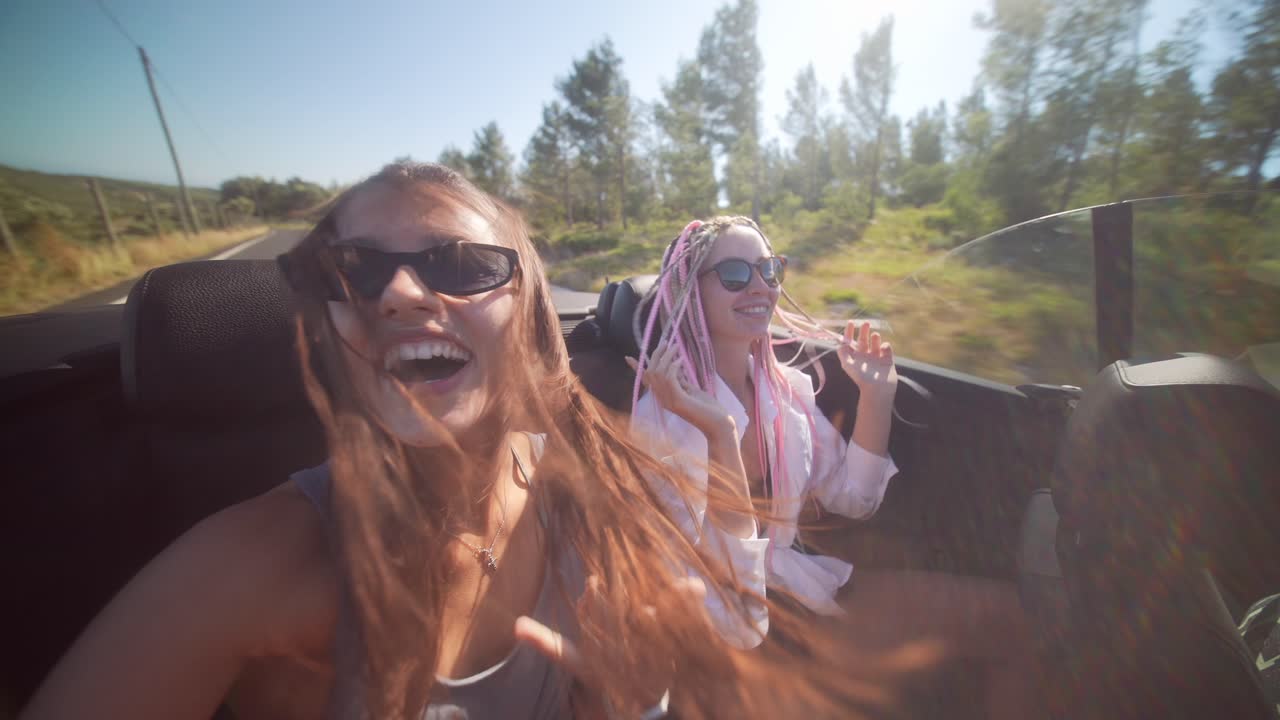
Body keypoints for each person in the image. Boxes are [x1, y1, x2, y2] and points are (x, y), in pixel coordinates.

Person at [18, 166, 913, 720]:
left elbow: (722, 633)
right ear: (331, 323)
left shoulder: (576, 476)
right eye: (349, 270)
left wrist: (637, 702)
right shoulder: (247, 569)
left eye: (458, 265)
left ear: (526, 314)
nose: (400, 293)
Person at [629, 216, 1042, 720]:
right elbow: (721, 606)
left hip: (810, 591)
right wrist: (721, 436)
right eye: (736, 274)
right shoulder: (662, 417)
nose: (761, 285)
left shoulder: (787, 393)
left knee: (1017, 622)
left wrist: (877, 394)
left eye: (770, 269)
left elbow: (854, 499)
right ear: (688, 291)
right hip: (732, 634)